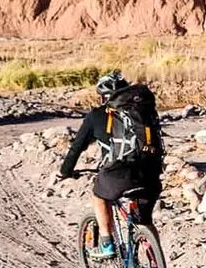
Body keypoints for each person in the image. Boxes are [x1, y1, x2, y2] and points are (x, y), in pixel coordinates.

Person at [59, 71, 165, 256]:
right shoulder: (142, 113)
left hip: (119, 172)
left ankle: (107, 244)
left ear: (103, 97)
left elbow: (76, 148)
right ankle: (155, 261)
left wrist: (65, 171)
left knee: (99, 195)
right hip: (150, 172)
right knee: (144, 220)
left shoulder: (96, 116)